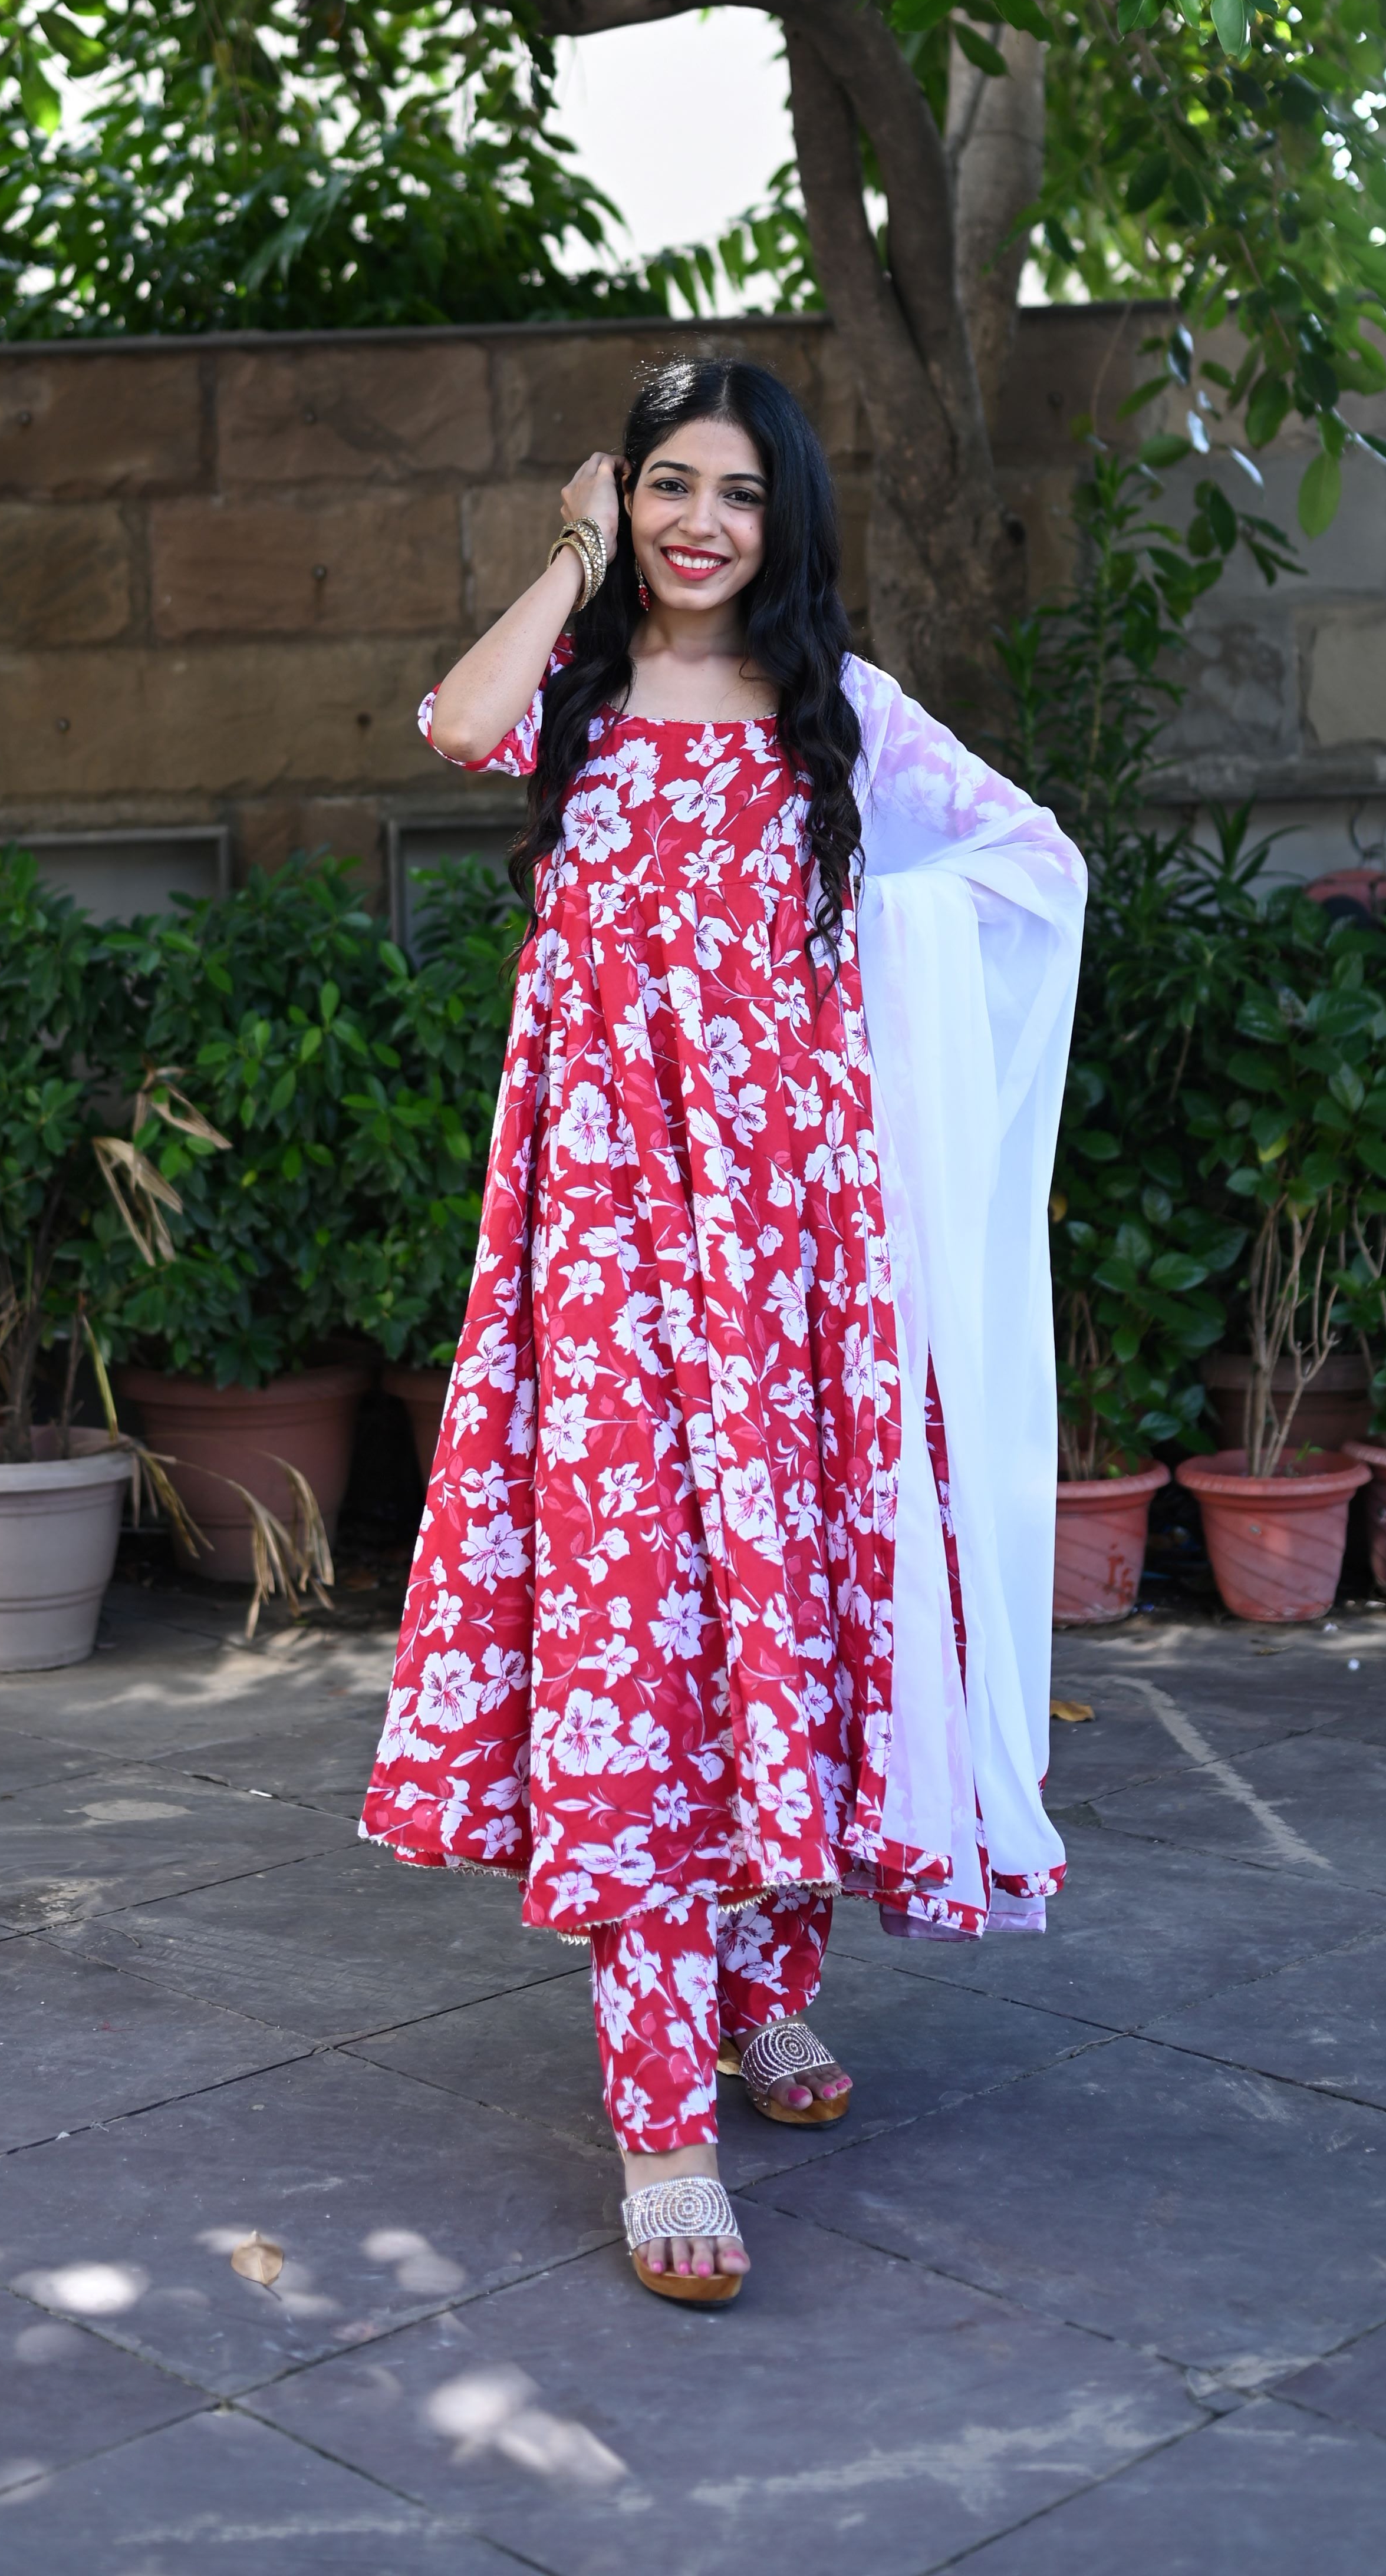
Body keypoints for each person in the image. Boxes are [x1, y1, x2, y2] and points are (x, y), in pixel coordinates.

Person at [360, 357, 1085, 2303]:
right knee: (642, 1634)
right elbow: (456, 722)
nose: (700, 521)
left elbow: (1031, 867)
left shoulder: (839, 710)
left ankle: (768, 1990)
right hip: (602, 1248)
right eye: (669, 486)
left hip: (791, 1252)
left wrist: (867, 1013)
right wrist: (571, 550)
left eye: (737, 494)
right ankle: (659, 2116)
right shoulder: (581, 700)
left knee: (792, 1609)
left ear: (789, 524)